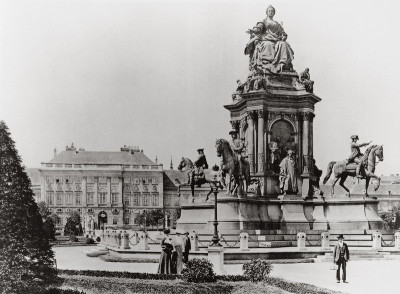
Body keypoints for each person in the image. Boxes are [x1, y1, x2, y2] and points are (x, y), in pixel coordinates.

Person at [245, 5, 294, 74]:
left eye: (272, 11)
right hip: (266, 39)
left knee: (283, 44)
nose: (270, 12)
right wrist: (253, 31)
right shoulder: (263, 21)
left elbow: (283, 33)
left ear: (274, 13)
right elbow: (258, 29)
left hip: (276, 40)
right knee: (268, 45)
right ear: (267, 12)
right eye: (269, 11)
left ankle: (283, 64)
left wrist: (283, 37)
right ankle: (267, 64)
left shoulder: (277, 24)